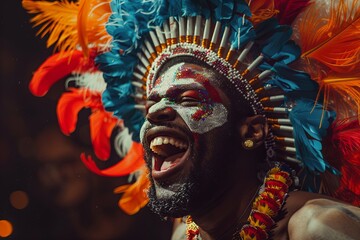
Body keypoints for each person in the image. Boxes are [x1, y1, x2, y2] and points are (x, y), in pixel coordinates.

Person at [23, 0, 360, 239]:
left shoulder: (318, 227)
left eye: (186, 98)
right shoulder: (186, 233)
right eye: (152, 101)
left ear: (253, 131)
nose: (155, 111)